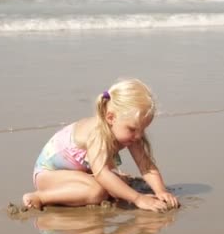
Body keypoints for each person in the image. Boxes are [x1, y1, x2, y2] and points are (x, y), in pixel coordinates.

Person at [22, 78, 179, 213]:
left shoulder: (131, 133)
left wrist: (161, 191)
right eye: (132, 129)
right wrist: (138, 198)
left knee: (118, 185)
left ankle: (89, 183)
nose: (138, 136)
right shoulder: (96, 133)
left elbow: (146, 165)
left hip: (77, 173)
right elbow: (102, 174)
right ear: (111, 117)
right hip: (49, 175)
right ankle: (39, 197)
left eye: (143, 129)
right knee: (96, 191)